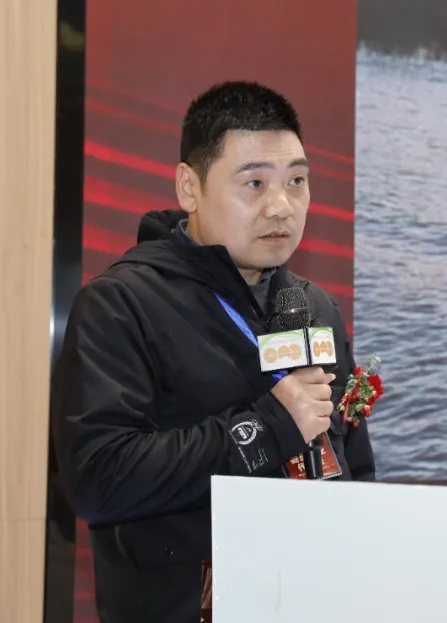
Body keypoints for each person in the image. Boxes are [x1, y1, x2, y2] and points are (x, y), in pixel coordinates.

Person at [50, 81, 375, 622]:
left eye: (297, 181)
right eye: (254, 183)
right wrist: (266, 429)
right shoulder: (122, 305)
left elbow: (355, 469)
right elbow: (97, 480)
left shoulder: (314, 306)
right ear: (189, 187)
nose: (281, 206)